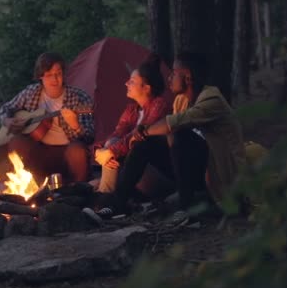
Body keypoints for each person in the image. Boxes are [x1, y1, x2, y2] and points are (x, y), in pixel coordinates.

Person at [98, 52, 246, 218]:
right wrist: (143, 134)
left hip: (219, 172)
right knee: (146, 143)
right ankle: (118, 204)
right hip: (192, 170)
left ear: (187, 76)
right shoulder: (180, 101)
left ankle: (185, 208)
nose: (169, 78)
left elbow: (175, 123)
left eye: (174, 73)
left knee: (178, 134)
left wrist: (145, 130)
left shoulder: (212, 98)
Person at [0, 52, 95, 183]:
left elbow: (89, 137)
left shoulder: (79, 97)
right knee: (17, 142)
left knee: (78, 151)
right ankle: (29, 185)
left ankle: (79, 189)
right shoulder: (31, 93)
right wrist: (7, 120)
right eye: (49, 75)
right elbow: (5, 109)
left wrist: (76, 126)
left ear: (63, 74)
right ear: (41, 76)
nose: (55, 79)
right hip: (40, 150)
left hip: (66, 151)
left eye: (58, 74)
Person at [93, 55, 171, 193]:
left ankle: (105, 195)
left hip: (155, 173)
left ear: (146, 88)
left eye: (132, 81)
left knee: (114, 151)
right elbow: (117, 135)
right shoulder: (131, 110)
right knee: (111, 143)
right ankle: (104, 192)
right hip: (132, 172)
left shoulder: (159, 105)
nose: (126, 84)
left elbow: (138, 136)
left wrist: (111, 152)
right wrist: (99, 150)